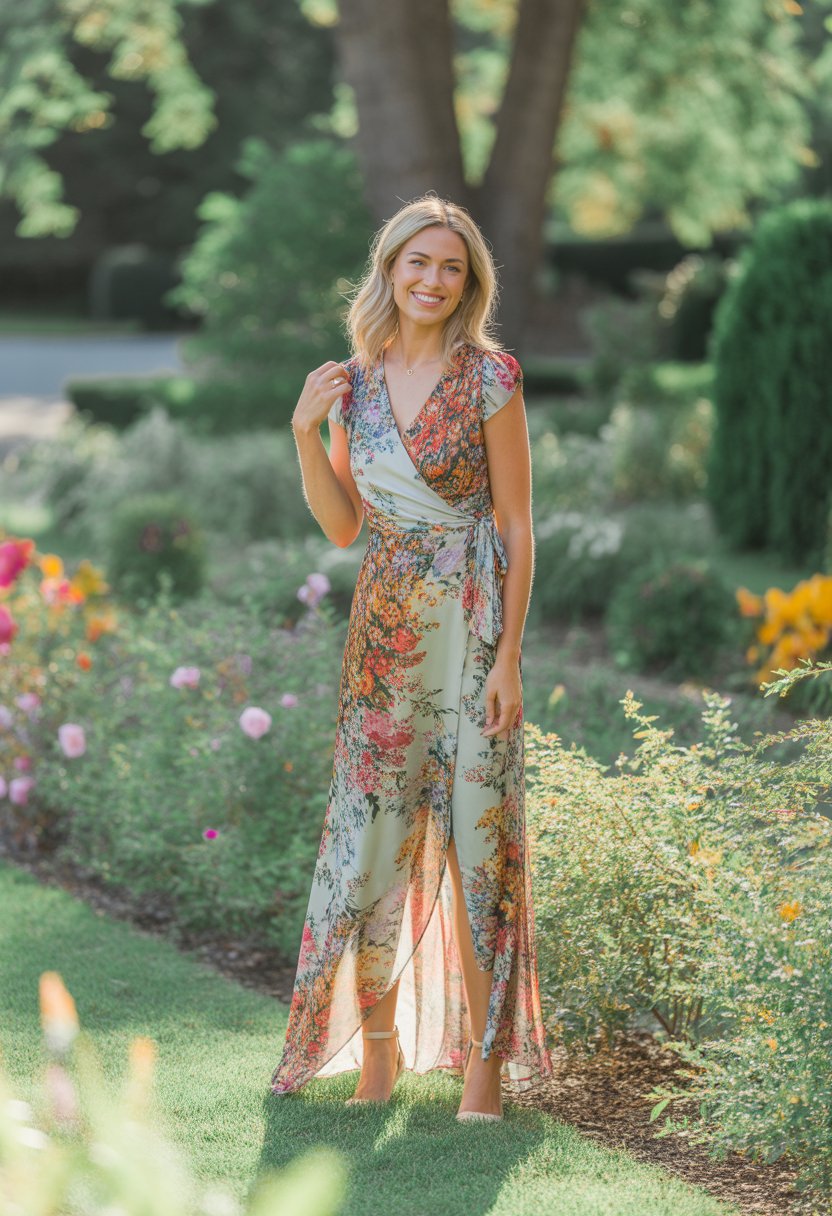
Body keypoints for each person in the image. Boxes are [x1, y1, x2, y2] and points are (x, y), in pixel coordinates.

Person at [270, 193, 552, 1121]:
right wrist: (305, 432)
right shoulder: (352, 385)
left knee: (480, 847)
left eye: (451, 267)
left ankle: (484, 1068)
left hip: (471, 631)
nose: (432, 279)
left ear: (470, 283)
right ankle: (379, 1058)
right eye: (417, 262)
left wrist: (508, 657)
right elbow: (343, 524)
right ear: (388, 269)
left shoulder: (491, 378)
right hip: (386, 637)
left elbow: (516, 523)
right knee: (373, 847)